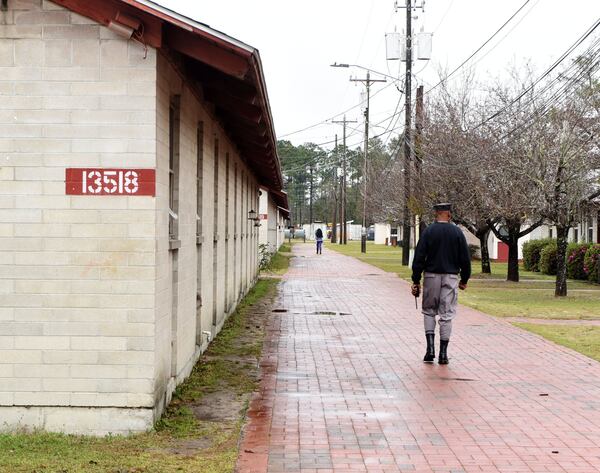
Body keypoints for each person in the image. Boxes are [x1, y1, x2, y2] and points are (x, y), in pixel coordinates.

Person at [411, 203, 471, 364]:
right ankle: (443, 353)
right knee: (446, 314)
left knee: (429, 311)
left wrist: (416, 280)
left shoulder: (428, 232)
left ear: (436, 214)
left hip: (431, 276)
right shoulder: (457, 232)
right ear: (449, 214)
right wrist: (464, 279)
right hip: (451, 277)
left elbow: (419, 257)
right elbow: (465, 259)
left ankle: (430, 349)